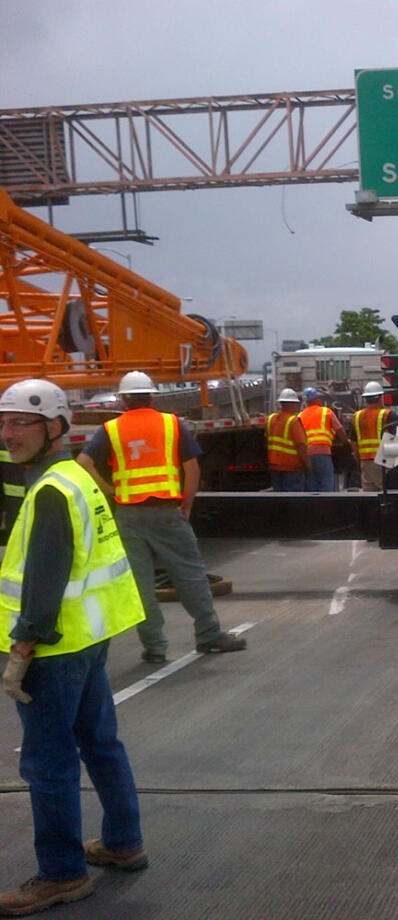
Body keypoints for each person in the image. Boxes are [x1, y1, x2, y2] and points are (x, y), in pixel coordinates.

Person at [0, 379, 148, 917]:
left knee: (47, 763)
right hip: (87, 638)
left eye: (21, 423)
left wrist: (21, 650)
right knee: (99, 741)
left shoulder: (51, 491)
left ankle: (62, 875)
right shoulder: (75, 477)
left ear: (55, 428)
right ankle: (123, 841)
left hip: (53, 647)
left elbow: (45, 576)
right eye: (5, 422)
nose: (7, 433)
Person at [75, 371, 247, 664]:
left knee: (140, 585)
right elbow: (192, 468)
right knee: (190, 575)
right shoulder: (171, 424)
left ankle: (154, 647)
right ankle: (208, 636)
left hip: (128, 515)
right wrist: (187, 504)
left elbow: (83, 463)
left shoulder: (111, 429)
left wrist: (111, 491)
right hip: (168, 512)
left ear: (123, 399)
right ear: (152, 396)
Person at [298, 386, 355, 492]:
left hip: (307, 454)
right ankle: (325, 507)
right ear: (314, 399)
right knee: (326, 483)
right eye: (318, 398)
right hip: (322, 453)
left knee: (311, 485)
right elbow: (339, 430)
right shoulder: (326, 412)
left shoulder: (300, 415)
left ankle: (313, 507)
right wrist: (347, 443)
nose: (320, 399)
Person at [351, 381, 398, 492]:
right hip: (382, 461)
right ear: (380, 397)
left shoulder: (356, 416)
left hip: (365, 462)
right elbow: (395, 437)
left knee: (370, 496)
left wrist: (359, 460)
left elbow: (353, 442)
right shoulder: (388, 415)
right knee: (387, 494)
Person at [265, 388, 309, 492]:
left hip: (275, 465)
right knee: (294, 500)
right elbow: (301, 445)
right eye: (296, 404)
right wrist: (308, 464)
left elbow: (267, 439)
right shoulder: (293, 421)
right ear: (292, 404)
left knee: (279, 499)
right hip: (292, 467)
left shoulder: (270, 419)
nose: (298, 406)